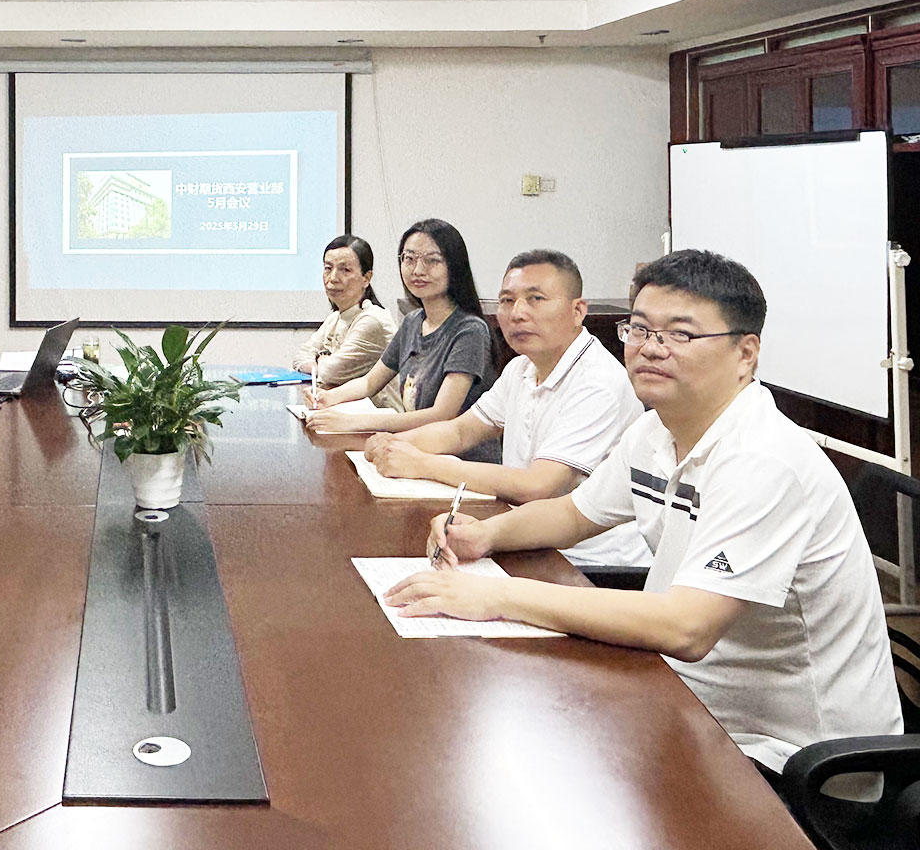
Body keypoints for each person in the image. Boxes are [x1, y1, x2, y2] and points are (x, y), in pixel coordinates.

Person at [384, 250, 901, 791]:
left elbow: (686, 627)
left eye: (681, 334)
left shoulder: (764, 461)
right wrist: (485, 534)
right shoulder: (656, 431)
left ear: (746, 354)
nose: (651, 348)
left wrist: (496, 596)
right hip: (684, 700)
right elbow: (573, 513)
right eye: (640, 329)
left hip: (791, 760)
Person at [364, 250, 649, 566]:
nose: (517, 313)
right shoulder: (521, 368)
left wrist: (423, 464)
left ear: (577, 310)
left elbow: (538, 485)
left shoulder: (598, 381)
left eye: (536, 299)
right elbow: (461, 431)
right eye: (507, 300)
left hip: (588, 564)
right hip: (525, 538)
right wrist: (392, 444)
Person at [306, 219, 498, 458]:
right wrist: (328, 399)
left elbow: (441, 415)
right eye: (409, 258)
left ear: (454, 266)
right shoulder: (413, 321)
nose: (417, 270)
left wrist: (352, 422)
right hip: (415, 452)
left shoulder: (469, 330)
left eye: (431, 260)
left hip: (460, 462)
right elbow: (369, 382)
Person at [292, 235, 404, 410]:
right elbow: (300, 356)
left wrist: (320, 356)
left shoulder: (372, 320)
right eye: (328, 268)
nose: (333, 278)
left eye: (345, 270)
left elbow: (330, 373)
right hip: (345, 412)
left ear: (366, 278)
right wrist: (320, 361)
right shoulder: (336, 317)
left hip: (381, 418)